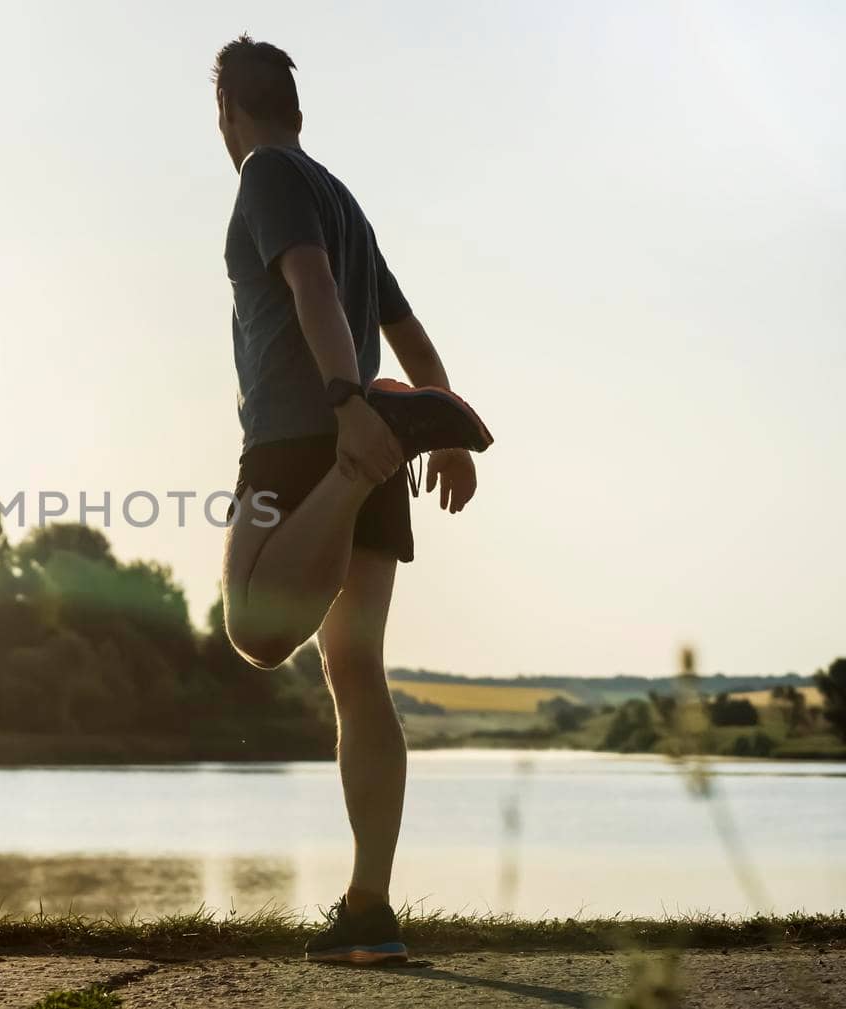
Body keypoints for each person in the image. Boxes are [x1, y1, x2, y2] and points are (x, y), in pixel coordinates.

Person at [213, 35, 494, 965]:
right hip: (374, 434)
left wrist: (342, 411)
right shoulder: (343, 196)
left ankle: (354, 473)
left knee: (254, 628)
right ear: (297, 106)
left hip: (310, 445)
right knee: (356, 672)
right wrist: (442, 422)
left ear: (231, 115)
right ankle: (369, 910)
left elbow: (312, 284)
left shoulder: (265, 176)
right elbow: (403, 325)